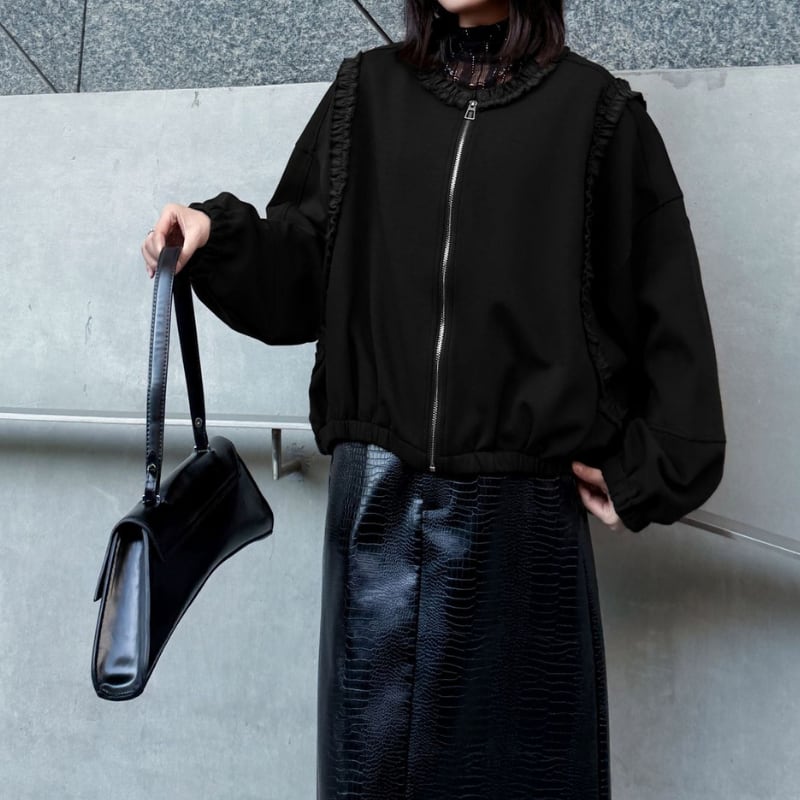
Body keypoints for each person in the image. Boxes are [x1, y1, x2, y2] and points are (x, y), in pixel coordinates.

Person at [141, 1, 726, 797]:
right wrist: (215, 236)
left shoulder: (598, 113)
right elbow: (300, 277)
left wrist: (647, 473)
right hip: (375, 525)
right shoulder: (366, 95)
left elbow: (668, 316)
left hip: (525, 540)